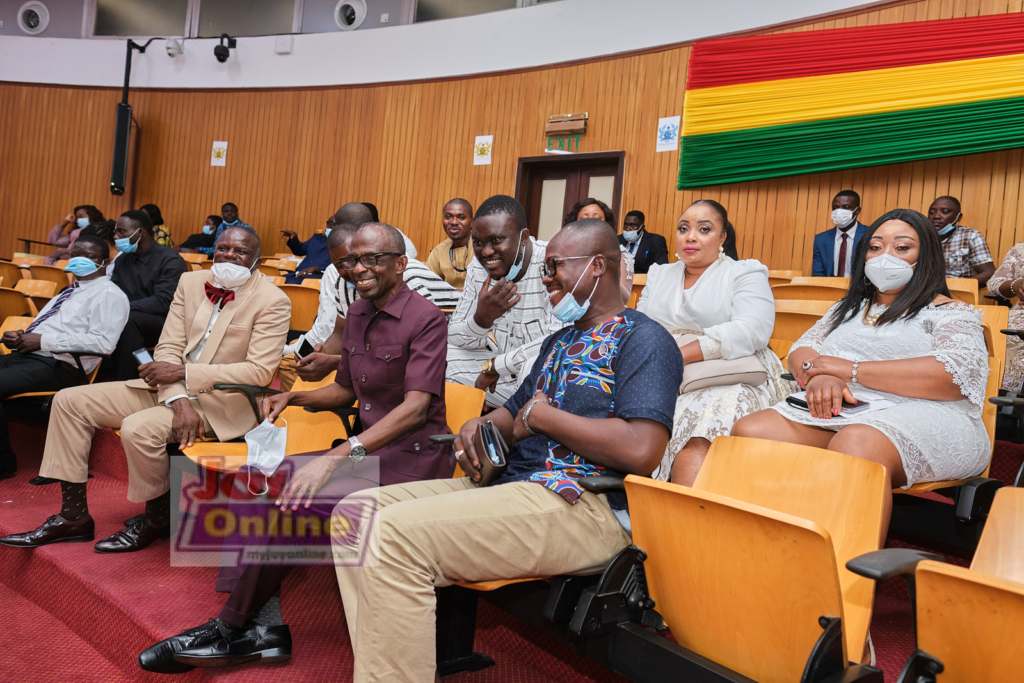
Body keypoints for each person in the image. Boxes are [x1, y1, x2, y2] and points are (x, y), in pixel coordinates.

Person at [332, 219, 682, 682]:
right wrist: (479, 424)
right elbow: (513, 414)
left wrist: (545, 417)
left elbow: (642, 451)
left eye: (556, 266)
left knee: (394, 535)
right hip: (519, 486)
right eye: (546, 267)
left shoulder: (645, 339)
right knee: (353, 513)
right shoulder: (560, 341)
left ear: (597, 266)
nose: (546, 276)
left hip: (586, 503)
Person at [138, 222, 453, 674]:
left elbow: (416, 410)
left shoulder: (425, 318)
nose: (358, 269)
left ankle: (232, 629)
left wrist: (334, 457)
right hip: (366, 453)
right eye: (349, 261)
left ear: (401, 264)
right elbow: (345, 390)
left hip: (412, 460)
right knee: (258, 482)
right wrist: (295, 396)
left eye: (372, 260)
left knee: (295, 495)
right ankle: (262, 629)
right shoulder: (360, 312)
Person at [0, 228, 290, 553]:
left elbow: (260, 372)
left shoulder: (274, 301)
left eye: (240, 252)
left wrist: (182, 372)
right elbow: (167, 346)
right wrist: (179, 395)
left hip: (224, 401)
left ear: (258, 260)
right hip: (171, 387)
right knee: (69, 401)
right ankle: (73, 517)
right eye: (223, 249)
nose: (229, 256)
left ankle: (157, 519)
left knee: (138, 428)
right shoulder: (192, 282)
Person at [733, 209, 991, 537]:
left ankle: (842, 571)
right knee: (753, 430)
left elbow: (952, 377)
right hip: (850, 410)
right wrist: (821, 376)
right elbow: (802, 351)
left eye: (902, 248)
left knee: (857, 442)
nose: (885, 257)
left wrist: (847, 370)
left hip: (931, 415)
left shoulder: (949, 312)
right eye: (875, 247)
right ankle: (765, 542)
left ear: (925, 256)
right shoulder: (850, 308)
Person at [638, 199, 789, 485]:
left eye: (704, 229)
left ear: (722, 237)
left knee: (703, 428)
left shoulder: (744, 272)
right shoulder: (659, 274)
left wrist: (682, 354)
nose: (690, 236)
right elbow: (642, 326)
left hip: (729, 369)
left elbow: (751, 330)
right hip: (661, 368)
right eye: (683, 228)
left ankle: (684, 517)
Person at [0, 237, 129, 480]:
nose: (79, 259)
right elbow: (49, 328)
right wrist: (21, 336)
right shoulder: (69, 290)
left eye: (88, 256)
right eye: (75, 253)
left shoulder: (110, 295)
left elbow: (104, 344)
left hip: (62, 367)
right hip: (28, 356)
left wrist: (43, 342)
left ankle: (3, 462)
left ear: (104, 262)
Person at [447, 195, 561, 407]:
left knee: (535, 365)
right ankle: (465, 430)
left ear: (524, 237)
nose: (487, 252)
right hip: (499, 378)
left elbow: (558, 341)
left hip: (542, 383)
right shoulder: (479, 268)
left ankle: (517, 426)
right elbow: (455, 336)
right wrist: (481, 320)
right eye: (478, 243)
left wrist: (497, 365)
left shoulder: (552, 263)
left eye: (496, 240)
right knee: (441, 354)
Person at [278, 224, 361, 392]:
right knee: (296, 360)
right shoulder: (343, 282)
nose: (354, 269)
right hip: (339, 350)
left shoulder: (338, 274)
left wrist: (333, 360)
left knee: (289, 363)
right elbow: (336, 331)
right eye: (341, 265)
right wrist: (322, 352)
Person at [109, 210, 189, 381]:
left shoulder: (170, 260)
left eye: (121, 231)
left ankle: (125, 383)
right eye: (116, 231)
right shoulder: (123, 259)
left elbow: (163, 302)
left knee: (130, 320)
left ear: (140, 232)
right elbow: (113, 293)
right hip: (129, 317)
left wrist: (122, 308)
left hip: (163, 322)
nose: (115, 236)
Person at [564, 198, 634, 302]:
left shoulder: (620, 253)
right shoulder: (566, 251)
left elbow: (624, 298)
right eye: (584, 218)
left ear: (607, 224)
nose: (591, 222)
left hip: (606, 311)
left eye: (597, 218)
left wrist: (601, 271)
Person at [928, 196, 994, 286]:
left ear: (958, 217)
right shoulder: (919, 236)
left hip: (958, 292)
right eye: (932, 212)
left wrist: (956, 285)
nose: (936, 216)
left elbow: (989, 272)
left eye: (945, 212)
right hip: (924, 293)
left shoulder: (971, 236)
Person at [987, 243, 1024, 390]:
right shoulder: (1020, 249)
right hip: (1018, 316)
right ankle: (1000, 397)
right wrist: (1015, 285)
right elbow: (994, 284)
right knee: (993, 336)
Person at [812, 190, 869, 277]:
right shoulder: (821, 239)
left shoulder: (870, 235)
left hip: (858, 289)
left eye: (846, 207)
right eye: (835, 208)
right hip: (829, 288)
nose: (839, 212)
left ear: (857, 211)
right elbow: (818, 274)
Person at [426, 198, 474, 289]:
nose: (454, 222)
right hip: (447, 301)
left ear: (472, 222)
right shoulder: (438, 252)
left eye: (461, 217)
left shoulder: (483, 247)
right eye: (448, 217)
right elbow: (428, 286)